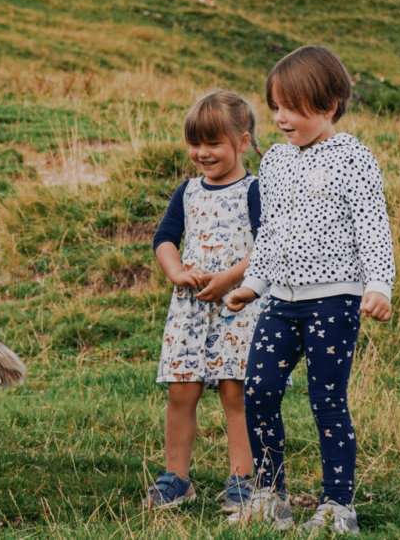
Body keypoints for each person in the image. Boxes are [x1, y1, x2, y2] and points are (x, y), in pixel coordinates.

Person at [225, 45, 395, 534]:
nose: (280, 118)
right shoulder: (274, 162)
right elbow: (271, 232)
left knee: (326, 399)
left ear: (329, 105)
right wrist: (254, 285)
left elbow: (373, 227)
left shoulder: (354, 158)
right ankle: (268, 494)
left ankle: (336, 505)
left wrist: (379, 285)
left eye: (292, 108)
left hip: (334, 300)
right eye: (275, 106)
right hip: (279, 300)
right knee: (258, 390)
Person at [145, 89, 263, 512]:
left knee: (236, 393)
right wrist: (176, 272)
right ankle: (176, 477)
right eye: (196, 143)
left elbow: (265, 247)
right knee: (182, 392)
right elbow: (164, 239)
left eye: (214, 143)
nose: (202, 152)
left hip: (238, 307)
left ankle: (242, 479)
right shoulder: (187, 191)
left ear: (243, 142)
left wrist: (231, 278)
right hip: (190, 310)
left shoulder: (254, 190)